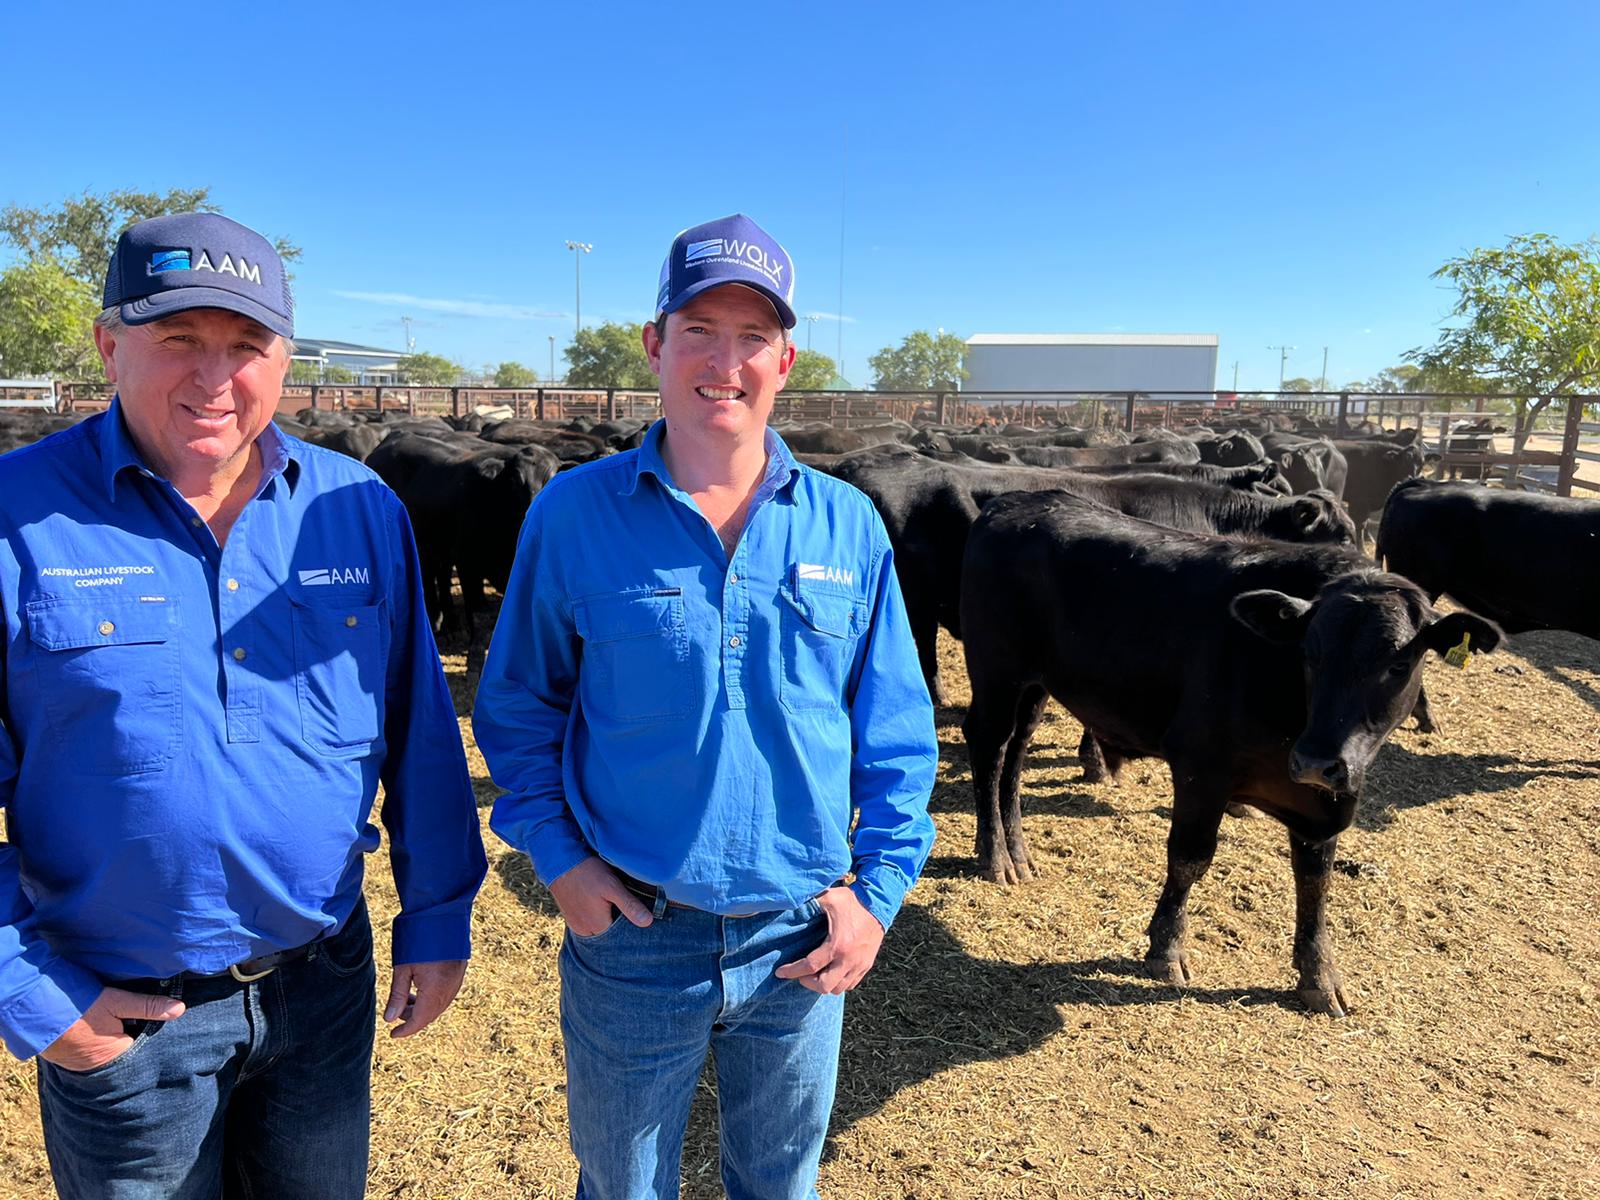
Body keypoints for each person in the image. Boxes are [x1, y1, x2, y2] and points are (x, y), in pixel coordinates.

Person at [0, 212, 487, 1199]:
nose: (213, 377)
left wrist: (436, 918)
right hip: (124, 1010)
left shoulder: (356, 507)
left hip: (322, 989)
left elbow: (420, 737)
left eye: (246, 346)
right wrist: (30, 989)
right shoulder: (17, 518)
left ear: (284, 357)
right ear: (108, 344)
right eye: (179, 340)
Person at [474, 213, 937, 1198]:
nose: (724, 362)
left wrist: (878, 894)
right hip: (637, 931)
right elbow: (515, 705)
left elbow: (894, 734)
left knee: (778, 1184)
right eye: (698, 332)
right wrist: (559, 859)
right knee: (623, 1186)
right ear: (653, 344)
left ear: (786, 359)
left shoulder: (847, 525)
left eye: (751, 338)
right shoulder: (574, 513)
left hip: (801, 934)